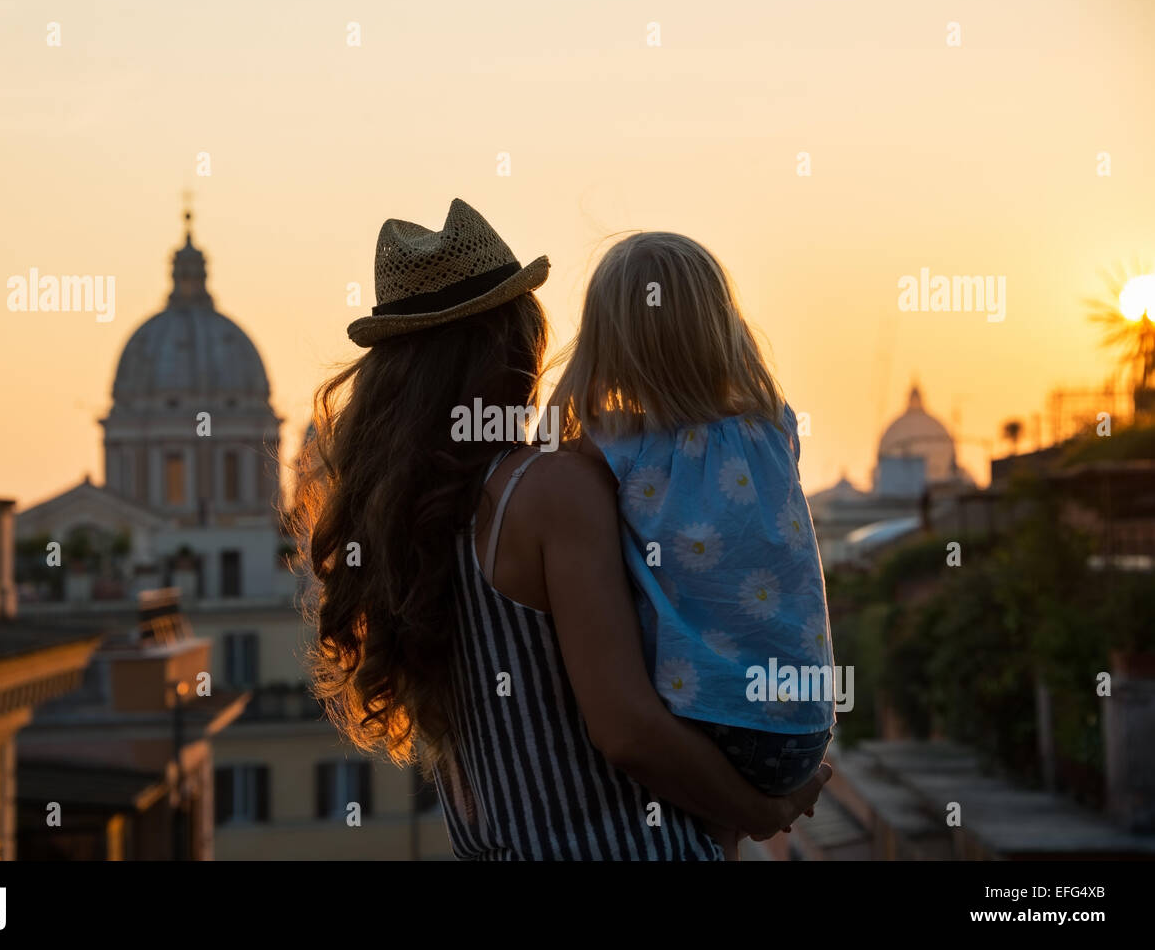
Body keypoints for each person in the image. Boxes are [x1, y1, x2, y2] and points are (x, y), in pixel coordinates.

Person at [295, 199, 829, 860]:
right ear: (510, 342)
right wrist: (762, 808)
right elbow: (627, 729)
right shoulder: (550, 490)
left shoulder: (403, 525)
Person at [550, 231, 836, 851]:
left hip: (709, 717)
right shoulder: (773, 424)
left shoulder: (615, 446)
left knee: (704, 839)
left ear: (607, 345)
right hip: (804, 726)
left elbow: (551, 452)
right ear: (723, 328)